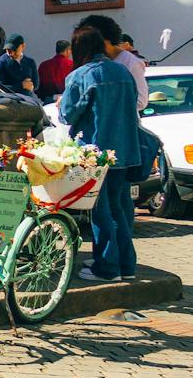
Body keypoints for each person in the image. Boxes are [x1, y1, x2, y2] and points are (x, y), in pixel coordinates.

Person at [58, 26, 140, 284]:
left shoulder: (81, 75)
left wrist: (62, 104)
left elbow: (67, 115)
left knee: (100, 209)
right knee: (117, 208)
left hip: (95, 152)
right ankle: (126, 264)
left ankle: (107, 267)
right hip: (125, 150)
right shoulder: (123, 72)